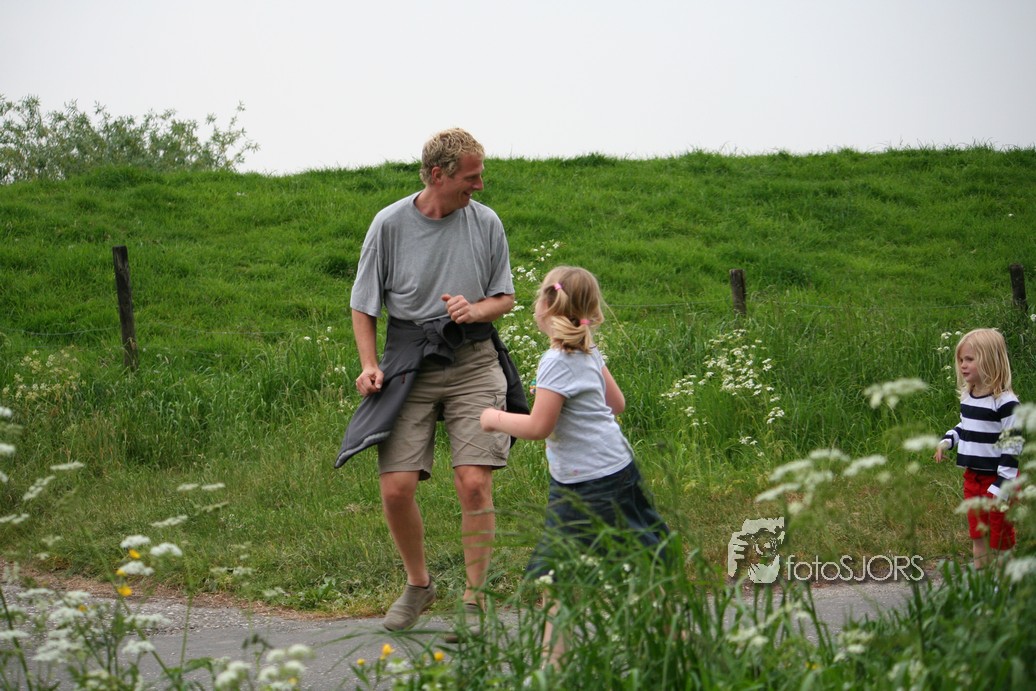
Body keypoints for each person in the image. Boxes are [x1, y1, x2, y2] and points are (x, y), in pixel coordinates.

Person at [338, 128, 527, 634]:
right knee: (396, 488)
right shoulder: (389, 224)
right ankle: (419, 585)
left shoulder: (486, 223)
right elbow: (363, 303)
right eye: (472, 177)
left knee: (474, 482)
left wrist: (475, 309)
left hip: (474, 361)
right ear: (439, 175)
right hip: (409, 362)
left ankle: (475, 598)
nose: (480, 186)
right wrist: (369, 363)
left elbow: (505, 298)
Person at [479, 265, 672, 664]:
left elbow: (539, 426)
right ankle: (677, 645)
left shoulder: (555, 361)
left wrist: (493, 418)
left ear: (545, 306)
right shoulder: (588, 351)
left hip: (584, 484)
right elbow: (617, 404)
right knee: (642, 558)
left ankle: (554, 668)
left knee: (557, 578)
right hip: (619, 470)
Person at [934, 328, 1023, 570]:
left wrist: (1003, 484)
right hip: (972, 478)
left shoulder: (1005, 402)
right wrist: (947, 440)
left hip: (999, 480)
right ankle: (981, 581)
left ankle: (1004, 583)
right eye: (961, 359)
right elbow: (966, 426)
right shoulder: (968, 395)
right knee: (978, 533)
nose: (963, 365)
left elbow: (1013, 443)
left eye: (970, 359)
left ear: (990, 361)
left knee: (1000, 536)